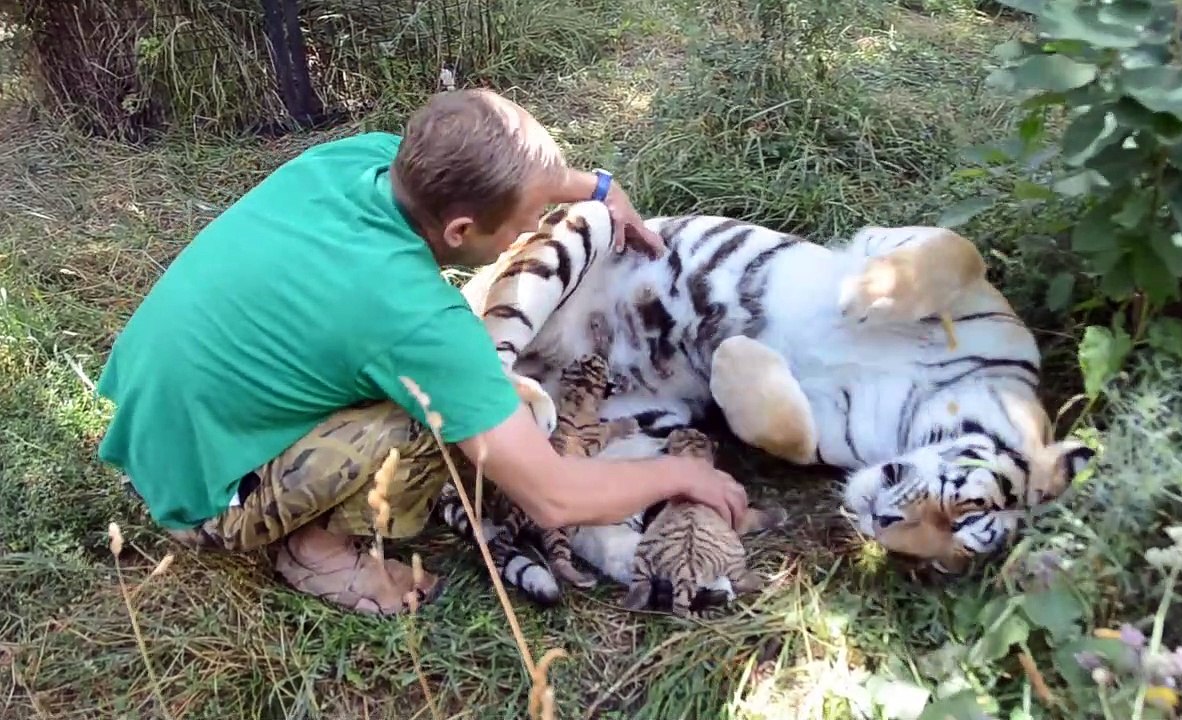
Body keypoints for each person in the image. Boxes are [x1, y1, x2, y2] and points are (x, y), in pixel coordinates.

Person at [95, 88, 748, 616]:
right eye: (527, 219)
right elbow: (554, 497)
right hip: (204, 501)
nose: (534, 229)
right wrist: (681, 475)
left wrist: (595, 189)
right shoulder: (421, 327)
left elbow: (506, 166)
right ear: (461, 230)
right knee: (445, 417)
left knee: (412, 379)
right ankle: (315, 551)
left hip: (147, 428)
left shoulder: (361, 161)